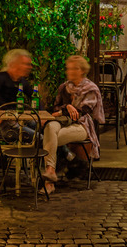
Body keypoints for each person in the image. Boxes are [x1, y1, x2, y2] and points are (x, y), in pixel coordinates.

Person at [42, 55, 105, 194]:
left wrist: (67, 108)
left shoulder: (90, 89)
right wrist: (67, 108)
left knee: (48, 138)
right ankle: (51, 171)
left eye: (74, 68)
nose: (70, 71)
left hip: (81, 126)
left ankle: (49, 182)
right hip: (61, 122)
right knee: (50, 127)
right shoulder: (64, 87)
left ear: (82, 70)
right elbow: (55, 108)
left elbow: (83, 112)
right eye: (68, 69)